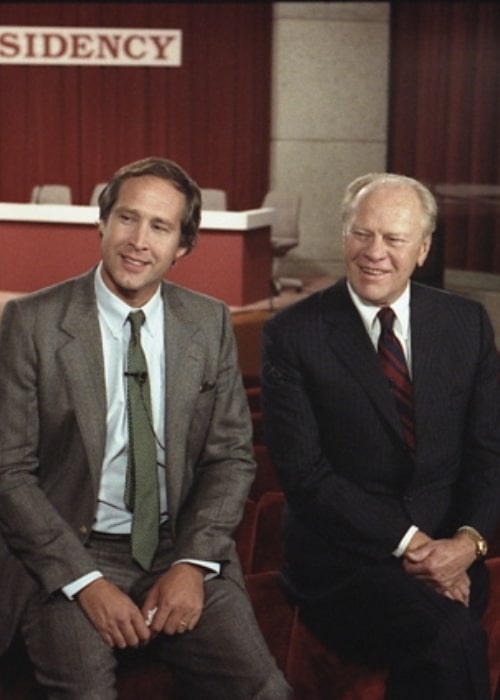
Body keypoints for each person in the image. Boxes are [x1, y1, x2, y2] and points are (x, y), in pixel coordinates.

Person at [0, 156, 291, 699]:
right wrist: (84, 581)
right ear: (102, 224)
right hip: (69, 551)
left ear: (182, 246)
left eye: (160, 227)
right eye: (127, 219)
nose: (138, 240)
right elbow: (9, 471)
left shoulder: (208, 323)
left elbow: (230, 457)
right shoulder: (31, 321)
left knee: (266, 690)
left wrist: (193, 562)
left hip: (178, 544)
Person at [260, 172, 500, 699]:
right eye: (361, 234)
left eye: (394, 239)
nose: (375, 253)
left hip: (450, 550)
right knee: (450, 638)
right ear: (344, 235)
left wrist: (466, 543)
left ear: (422, 249)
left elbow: (490, 455)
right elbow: (306, 478)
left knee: (440, 639)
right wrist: (418, 548)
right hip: (343, 559)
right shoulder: (293, 334)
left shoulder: (467, 324)